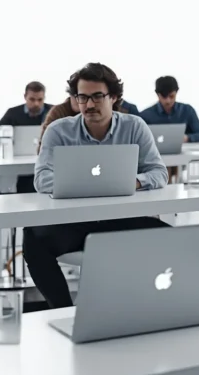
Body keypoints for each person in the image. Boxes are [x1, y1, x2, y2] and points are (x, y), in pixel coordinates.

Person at [24, 63, 169, 309]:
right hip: (74, 222)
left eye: (97, 96)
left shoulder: (134, 126)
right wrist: (90, 184)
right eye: (82, 97)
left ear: (113, 97)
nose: (89, 104)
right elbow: (41, 179)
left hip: (122, 219)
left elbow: (159, 172)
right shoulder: (58, 131)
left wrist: (132, 181)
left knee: (172, 238)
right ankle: (62, 310)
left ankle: (151, 306)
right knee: (33, 238)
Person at [0, 81, 52, 192]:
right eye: (32, 99)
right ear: (25, 97)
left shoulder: (53, 112)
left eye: (40, 100)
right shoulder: (13, 113)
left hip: (46, 158)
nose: (36, 104)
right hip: (19, 157)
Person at [139, 76, 199, 142]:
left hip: (184, 152)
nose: (168, 101)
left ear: (176, 92)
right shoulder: (146, 115)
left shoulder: (187, 110)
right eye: (164, 97)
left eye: (171, 96)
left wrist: (187, 138)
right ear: (157, 94)